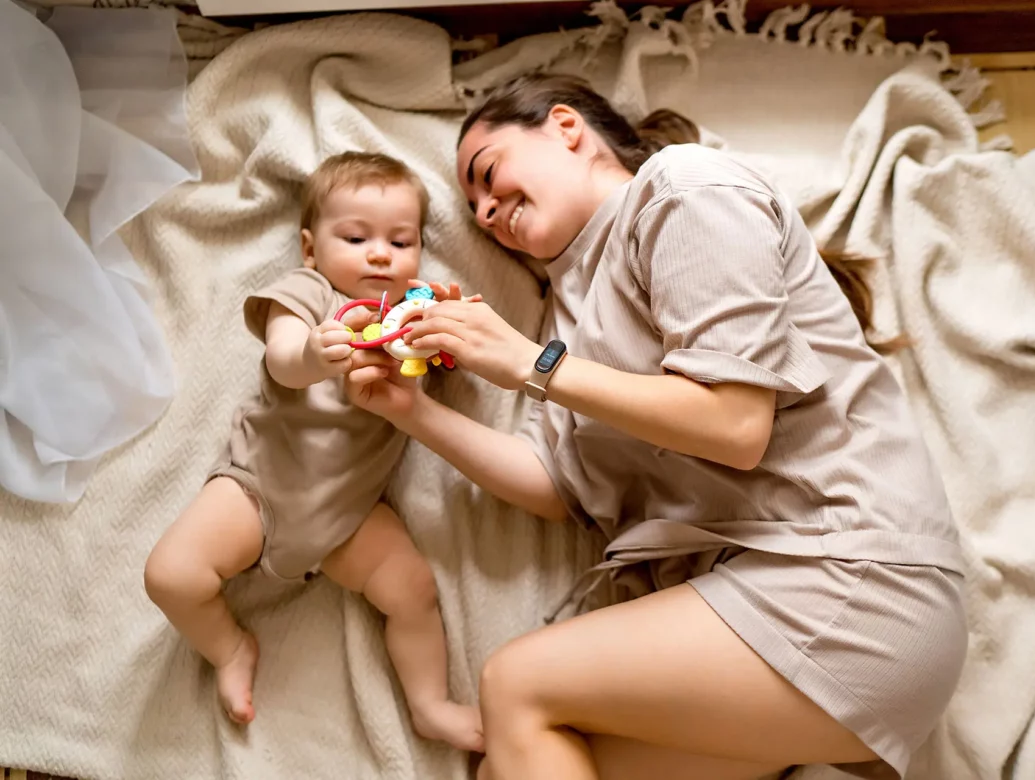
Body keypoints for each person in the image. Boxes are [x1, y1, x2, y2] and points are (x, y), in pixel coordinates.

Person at [345, 75, 968, 780]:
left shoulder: (681, 188)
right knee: (508, 763)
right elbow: (555, 487)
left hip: (854, 580)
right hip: (773, 616)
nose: (487, 211)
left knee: (514, 682)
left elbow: (735, 425)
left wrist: (526, 363)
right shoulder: (564, 317)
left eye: (489, 174)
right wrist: (413, 413)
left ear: (565, 127)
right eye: (475, 208)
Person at [143, 152, 483, 752]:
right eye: (355, 237)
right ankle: (229, 647)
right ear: (310, 248)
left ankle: (430, 705)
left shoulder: (412, 315)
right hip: (259, 487)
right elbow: (281, 356)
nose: (380, 253)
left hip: (350, 516)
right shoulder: (309, 294)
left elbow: (458, 363)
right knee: (170, 575)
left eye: (400, 242)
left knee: (413, 591)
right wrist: (312, 355)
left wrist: (457, 328)